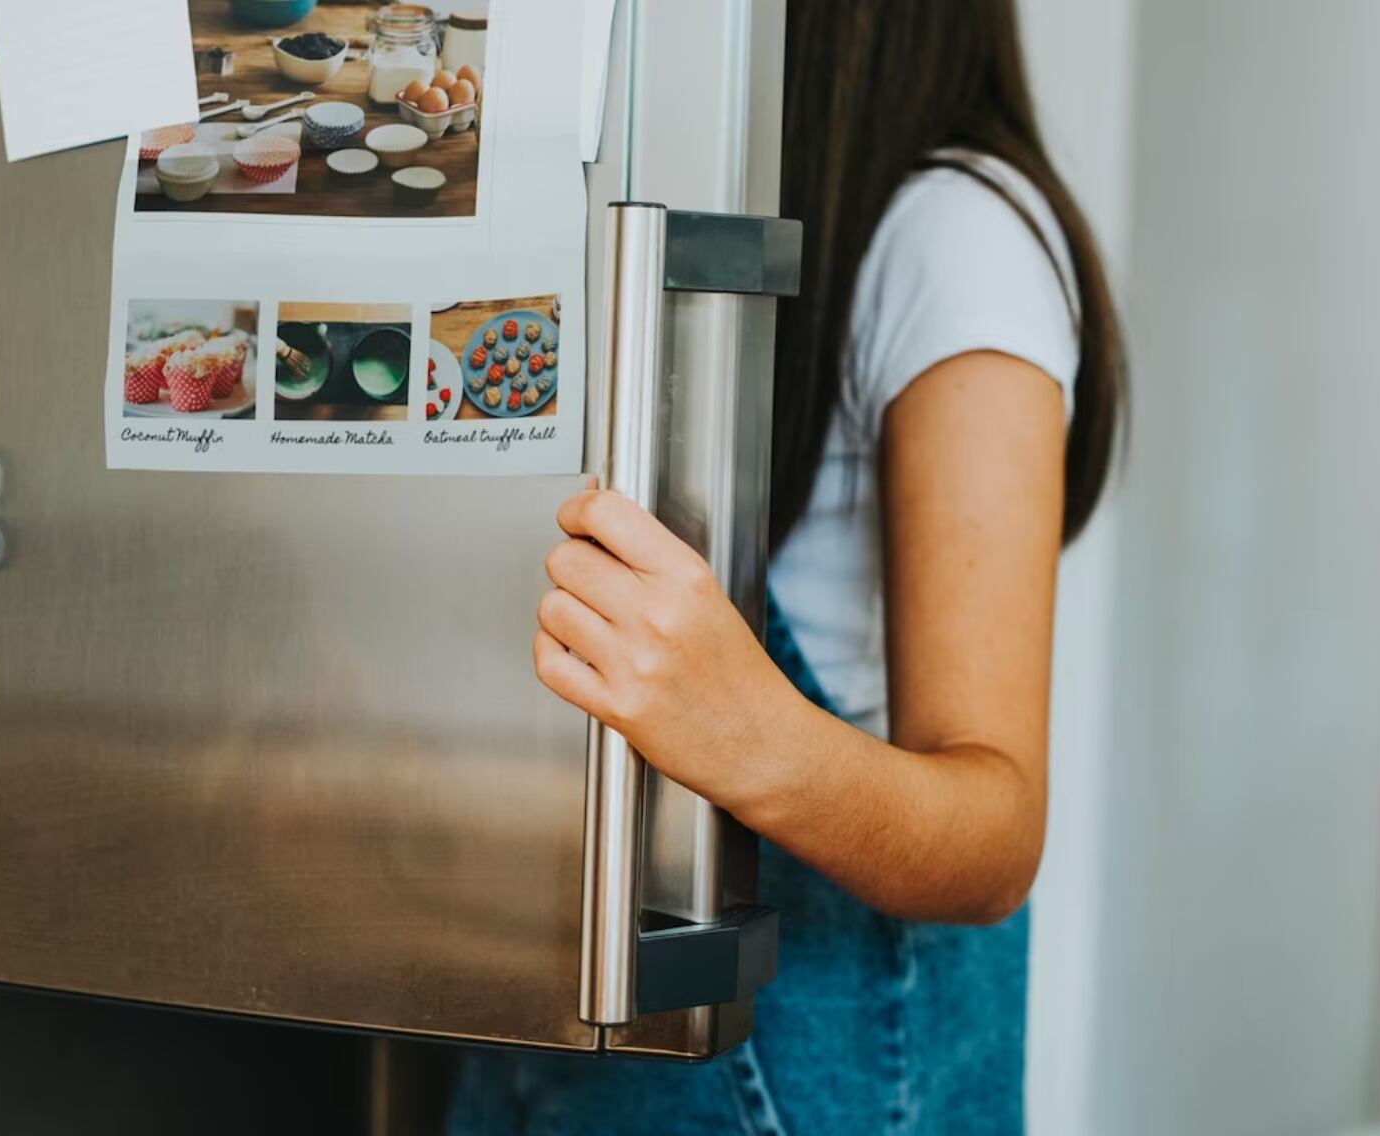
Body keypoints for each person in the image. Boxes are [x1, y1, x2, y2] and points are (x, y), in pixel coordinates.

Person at [453, 1, 1124, 1131]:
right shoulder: (682, 189)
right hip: (546, 1028)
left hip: (800, 1078)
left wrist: (742, 730)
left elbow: (996, 835)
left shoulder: (959, 234)